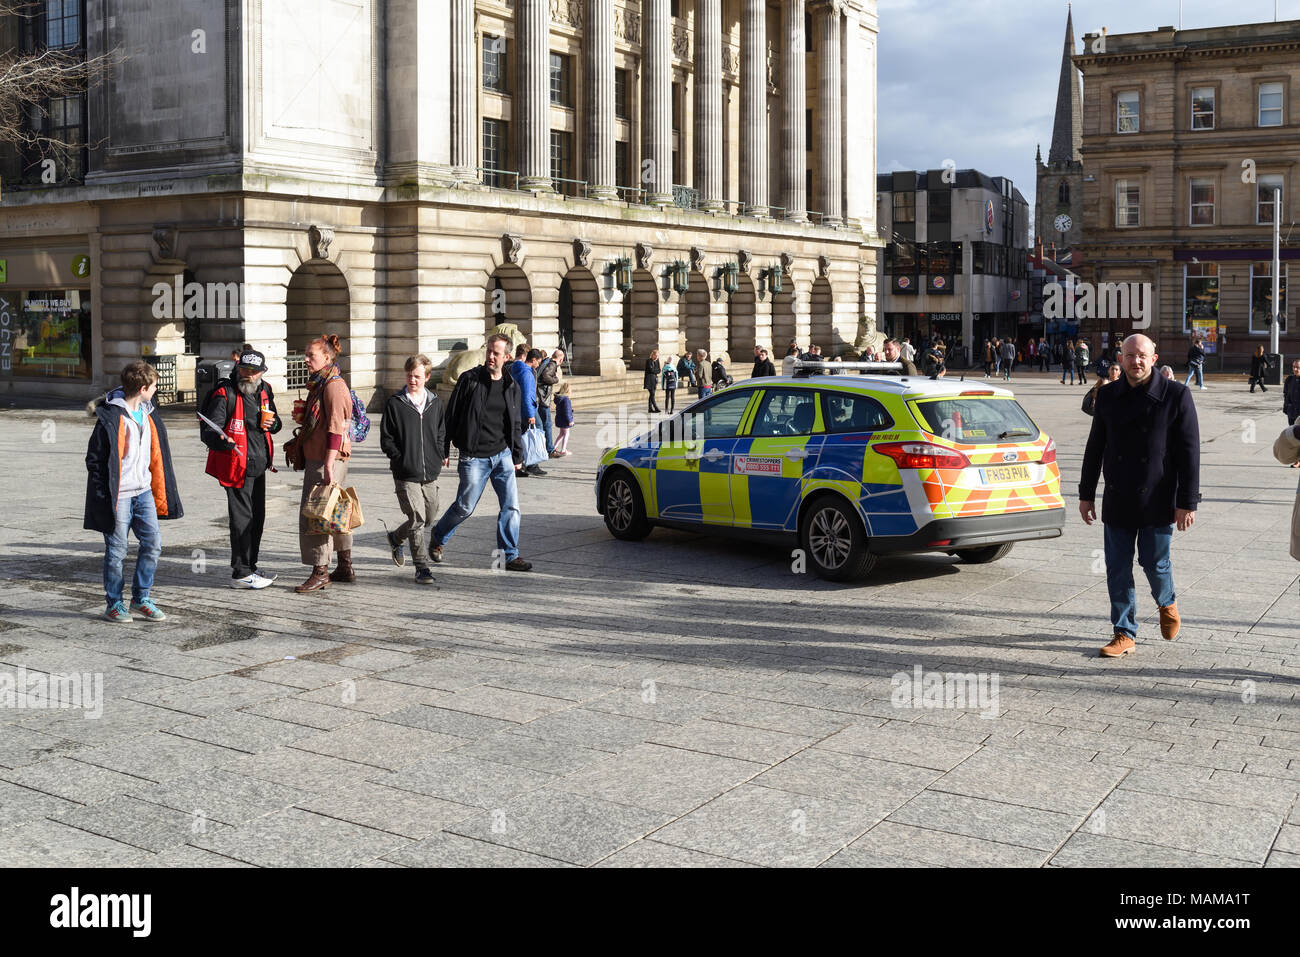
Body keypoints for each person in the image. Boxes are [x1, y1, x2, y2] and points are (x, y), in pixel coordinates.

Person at [1080, 334, 1200, 658]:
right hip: (1118, 496)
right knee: (1117, 567)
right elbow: (1095, 448)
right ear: (1121, 359)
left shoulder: (1177, 395)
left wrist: (1187, 502)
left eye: (1142, 355)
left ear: (1154, 358)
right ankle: (1124, 632)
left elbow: (1190, 454)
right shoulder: (1106, 396)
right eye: (1130, 355)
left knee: (1153, 563)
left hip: (1158, 497)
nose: (1136, 361)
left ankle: (1167, 602)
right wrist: (1086, 493)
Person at [85, 361, 184, 622]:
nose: (156, 391)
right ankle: (114, 603)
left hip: (144, 492)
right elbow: (94, 460)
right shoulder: (111, 417)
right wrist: (102, 493)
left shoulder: (149, 413)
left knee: (153, 544)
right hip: (119, 495)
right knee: (117, 551)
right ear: (142, 388)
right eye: (153, 387)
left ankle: (141, 598)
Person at [431, 333, 531, 572]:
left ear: (507, 357)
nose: (490, 357)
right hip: (473, 456)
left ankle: (509, 555)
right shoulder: (470, 380)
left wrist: (517, 455)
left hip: (502, 455)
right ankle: (438, 536)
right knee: (465, 507)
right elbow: (451, 415)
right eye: (488, 351)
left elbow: (515, 423)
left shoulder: (511, 385)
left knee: (511, 506)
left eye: (496, 353)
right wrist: (444, 448)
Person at [199, 347, 281, 589]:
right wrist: (223, 442)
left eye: (254, 372)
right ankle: (241, 572)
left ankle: (251, 566)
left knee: (257, 517)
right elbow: (209, 431)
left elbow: (275, 423)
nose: (248, 375)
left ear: (262, 373)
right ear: (237, 368)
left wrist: (273, 423)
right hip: (236, 464)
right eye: (244, 369)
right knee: (242, 519)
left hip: (259, 463)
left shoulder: (265, 390)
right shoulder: (225, 393)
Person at [293, 334, 356, 592]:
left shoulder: (332, 385)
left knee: (316, 513)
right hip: (322, 456)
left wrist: (328, 465)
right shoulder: (321, 383)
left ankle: (320, 571)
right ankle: (344, 565)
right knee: (334, 510)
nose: (306, 359)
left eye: (311, 356)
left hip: (325, 459)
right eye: (306, 354)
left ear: (327, 357)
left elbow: (335, 430)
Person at [379, 354, 447, 585]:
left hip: (430, 471)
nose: (412, 380)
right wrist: (401, 459)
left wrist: (438, 455)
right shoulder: (395, 403)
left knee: (429, 515)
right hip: (406, 472)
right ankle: (422, 567)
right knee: (416, 518)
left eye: (417, 376)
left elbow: (440, 433)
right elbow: (386, 439)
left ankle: (395, 538)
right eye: (409, 375)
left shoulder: (435, 402)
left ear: (427, 377)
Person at [510, 348, 546, 476]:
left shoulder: (517, 369)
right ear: (533, 359)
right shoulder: (526, 373)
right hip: (524, 411)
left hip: (518, 409)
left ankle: (522, 464)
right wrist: (531, 414)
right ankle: (527, 465)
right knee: (524, 439)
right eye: (539, 362)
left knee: (519, 438)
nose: (539, 365)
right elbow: (527, 395)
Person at [535, 348, 561, 459]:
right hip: (543, 398)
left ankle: (546, 448)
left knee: (543, 424)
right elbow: (546, 376)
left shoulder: (547, 362)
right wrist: (556, 379)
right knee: (547, 424)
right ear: (561, 359)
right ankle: (550, 449)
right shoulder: (552, 364)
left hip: (541, 397)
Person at [554, 380, 574, 455]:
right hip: (565, 420)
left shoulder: (559, 399)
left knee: (561, 434)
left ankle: (554, 447)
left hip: (559, 419)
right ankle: (563, 450)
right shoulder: (566, 399)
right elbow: (567, 411)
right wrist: (570, 420)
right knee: (566, 434)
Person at [644, 348, 662, 413]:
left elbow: (659, 370)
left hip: (654, 380)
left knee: (651, 395)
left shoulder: (657, 361)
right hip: (649, 380)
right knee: (652, 393)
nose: (657, 357)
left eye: (658, 356)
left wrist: (655, 371)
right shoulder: (649, 361)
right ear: (653, 355)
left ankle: (650, 408)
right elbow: (651, 370)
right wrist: (655, 371)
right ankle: (656, 407)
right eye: (656, 355)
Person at [1284, 359, 1300, 429]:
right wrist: (1287, 407)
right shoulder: (1289, 379)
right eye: (1293, 367)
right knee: (1293, 435)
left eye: (1298, 367)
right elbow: (1286, 394)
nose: (1295, 369)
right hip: (1292, 413)